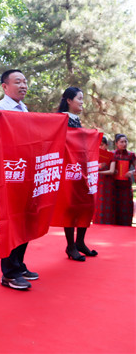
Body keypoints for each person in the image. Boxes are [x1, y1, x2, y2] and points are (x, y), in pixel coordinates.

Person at [0, 69, 39, 291]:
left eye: (25, 81)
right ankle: (9, 273)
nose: (23, 85)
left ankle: (19, 264)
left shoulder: (24, 110)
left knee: (24, 221)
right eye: (18, 82)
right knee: (10, 223)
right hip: (7, 177)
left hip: (25, 175)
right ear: (5, 86)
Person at [56, 87, 97, 261]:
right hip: (68, 171)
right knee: (71, 206)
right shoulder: (60, 119)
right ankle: (70, 245)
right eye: (79, 98)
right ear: (69, 100)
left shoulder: (76, 119)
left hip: (82, 169)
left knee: (86, 203)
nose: (82, 102)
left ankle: (80, 242)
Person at [111, 134, 136, 226]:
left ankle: (126, 225)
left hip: (126, 185)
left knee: (126, 206)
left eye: (125, 141)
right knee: (114, 205)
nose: (124, 144)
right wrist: (113, 170)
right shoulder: (112, 154)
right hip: (114, 184)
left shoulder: (131, 155)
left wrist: (132, 171)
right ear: (116, 143)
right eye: (121, 142)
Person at [93, 136, 116, 224]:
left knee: (107, 203)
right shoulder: (94, 155)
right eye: (98, 145)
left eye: (102, 145)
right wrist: (97, 167)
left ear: (106, 145)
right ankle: (96, 222)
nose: (100, 147)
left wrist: (99, 171)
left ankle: (108, 223)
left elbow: (111, 171)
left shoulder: (111, 156)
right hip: (97, 182)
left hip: (107, 183)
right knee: (97, 203)